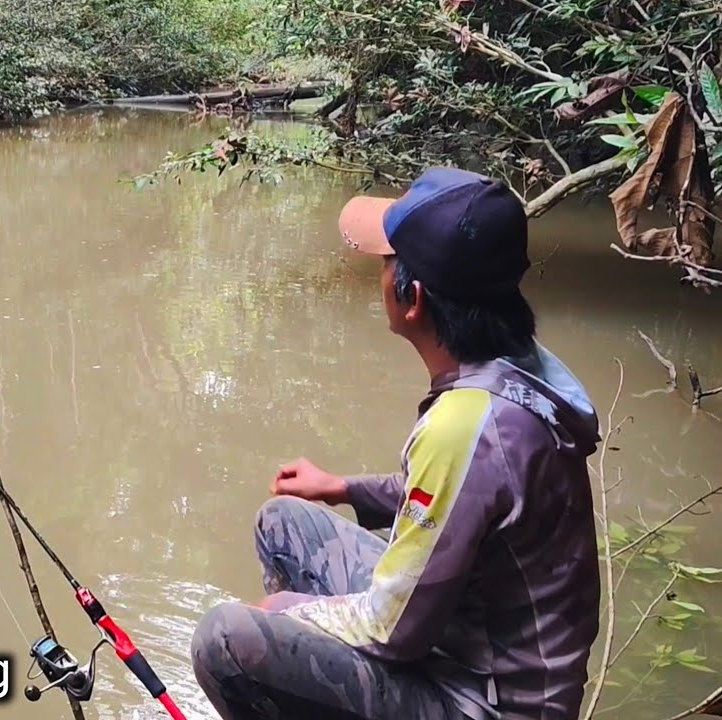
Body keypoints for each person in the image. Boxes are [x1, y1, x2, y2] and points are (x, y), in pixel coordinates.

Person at [191, 167, 603, 720]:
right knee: (285, 522)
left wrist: (286, 611)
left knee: (226, 639)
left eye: (388, 264)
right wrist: (342, 488)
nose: (380, 275)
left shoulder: (467, 426)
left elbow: (395, 631)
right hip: (467, 640)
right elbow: (458, 499)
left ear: (413, 300)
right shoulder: (518, 372)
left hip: (486, 701)